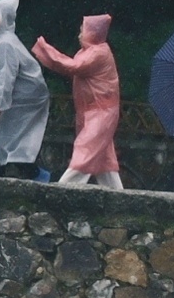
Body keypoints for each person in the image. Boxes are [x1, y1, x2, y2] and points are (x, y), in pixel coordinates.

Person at [34, 11, 125, 187]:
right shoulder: (89, 52)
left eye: (83, 30)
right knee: (104, 161)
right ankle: (119, 196)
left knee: (86, 150)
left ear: (92, 33)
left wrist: (46, 50)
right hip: (94, 111)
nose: (80, 34)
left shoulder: (98, 53)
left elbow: (73, 66)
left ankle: (62, 190)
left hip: (101, 112)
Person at [0, 0, 48, 178]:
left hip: (21, 100)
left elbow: (6, 76)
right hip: (19, 99)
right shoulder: (3, 39)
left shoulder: (5, 43)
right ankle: (29, 175)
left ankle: (0, 179)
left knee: (2, 140)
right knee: (11, 142)